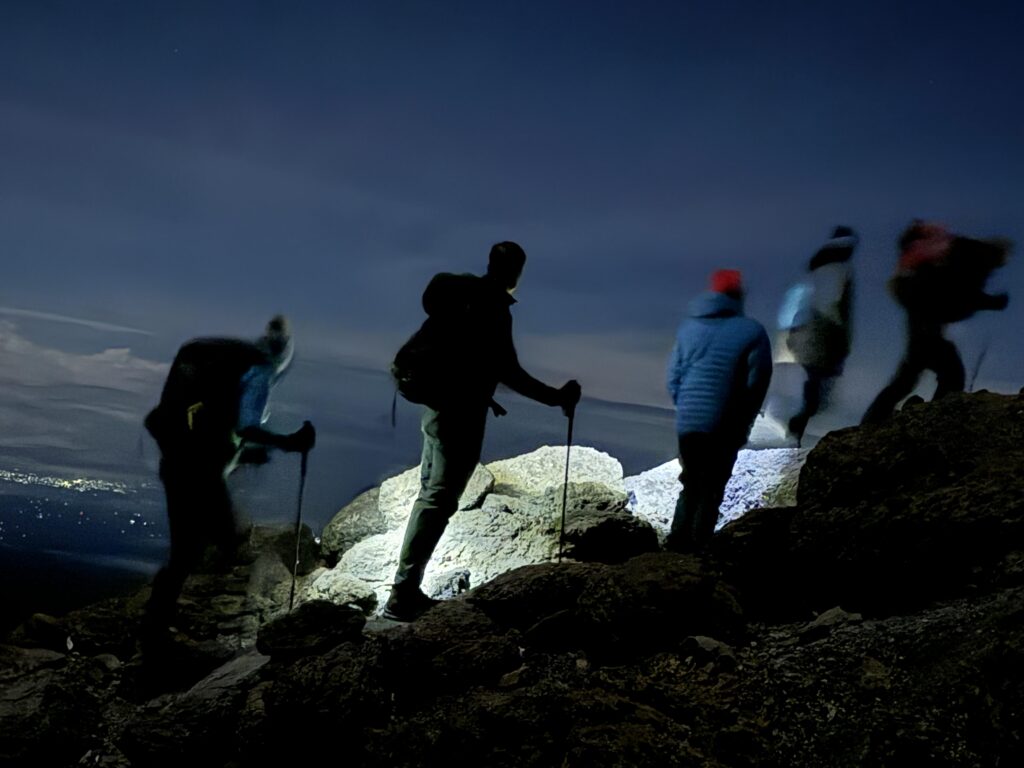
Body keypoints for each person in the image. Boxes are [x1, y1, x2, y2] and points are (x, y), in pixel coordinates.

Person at [386, 241, 581, 621]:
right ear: (515, 273)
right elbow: (509, 372)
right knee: (438, 500)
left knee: (431, 495)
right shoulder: (491, 307)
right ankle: (402, 594)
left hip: (438, 408)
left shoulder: (461, 299)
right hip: (460, 413)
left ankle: (404, 588)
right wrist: (556, 398)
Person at [141, 315, 316, 643]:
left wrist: (248, 453)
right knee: (219, 541)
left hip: (177, 461)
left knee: (187, 548)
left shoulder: (222, 370)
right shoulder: (261, 370)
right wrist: (289, 442)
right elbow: (245, 427)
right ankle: (201, 623)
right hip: (201, 473)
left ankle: (157, 624)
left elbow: (226, 429)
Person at [861, 221, 1010, 424]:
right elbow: (959, 294)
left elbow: (954, 296)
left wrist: (986, 302)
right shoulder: (976, 258)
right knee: (950, 374)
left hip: (920, 310)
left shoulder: (964, 255)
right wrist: (991, 302)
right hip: (924, 312)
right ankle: (933, 422)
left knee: (912, 374)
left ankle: (874, 421)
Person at [665, 269, 772, 553]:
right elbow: (756, 383)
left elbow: (673, 377)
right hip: (726, 423)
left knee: (690, 482)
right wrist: (744, 421)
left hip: (689, 422)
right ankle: (697, 552)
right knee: (711, 490)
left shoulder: (689, 328)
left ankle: (675, 547)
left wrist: (687, 407)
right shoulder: (751, 331)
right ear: (739, 296)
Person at [777, 226, 858, 445]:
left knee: (814, 393)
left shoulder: (818, 267)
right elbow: (834, 310)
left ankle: (794, 432)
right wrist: (841, 342)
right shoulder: (836, 270)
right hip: (823, 340)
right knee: (816, 395)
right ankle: (794, 432)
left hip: (811, 339)